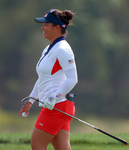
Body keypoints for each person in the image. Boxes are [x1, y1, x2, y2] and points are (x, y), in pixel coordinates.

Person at [20, 9, 78, 150]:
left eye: (46, 25)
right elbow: (43, 78)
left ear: (56, 27)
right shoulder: (48, 49)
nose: (42, 28)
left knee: (37, 144)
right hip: (55, 106)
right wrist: (31, 100)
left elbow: (72, 79)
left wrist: (53, 97)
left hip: (57, 106)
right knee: (61, 147)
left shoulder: (63, 49)